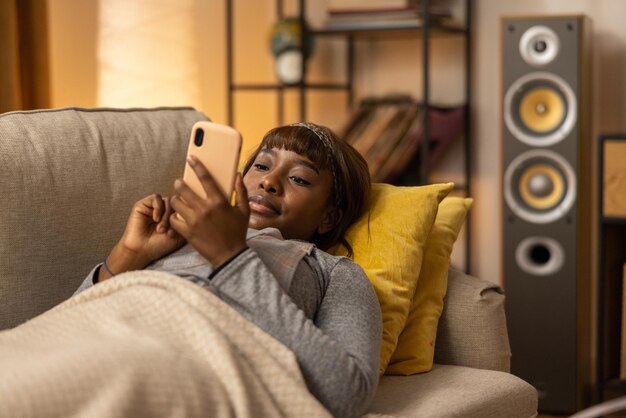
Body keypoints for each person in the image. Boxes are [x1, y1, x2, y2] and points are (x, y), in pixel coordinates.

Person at [76, 122, 382, 418]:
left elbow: (348, 394)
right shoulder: (171, 235)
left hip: (174, 369)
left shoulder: (334, 272)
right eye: (262, 166)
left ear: (328, 217)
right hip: (97, 344)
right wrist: (129, 255)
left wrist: (230, 257)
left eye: (299, 178)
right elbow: (67, 321)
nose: (269, 181)